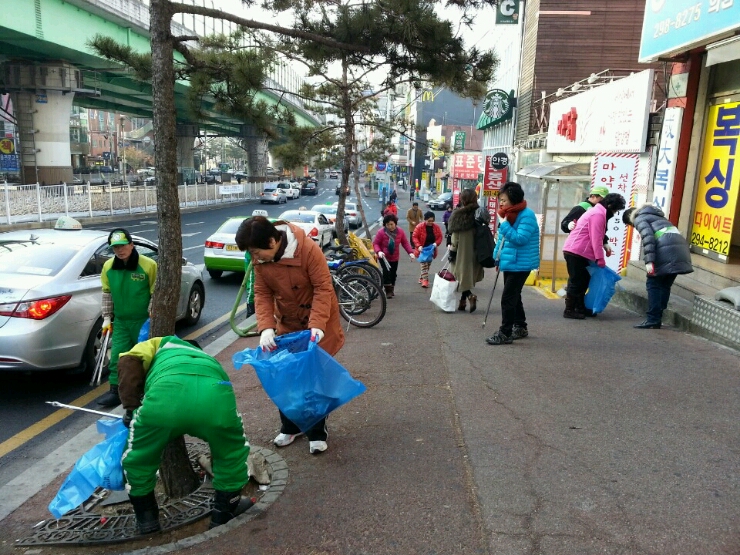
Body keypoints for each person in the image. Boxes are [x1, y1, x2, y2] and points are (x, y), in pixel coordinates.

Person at [118, 336, 252, 534]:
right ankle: (225, 511)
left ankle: (147, 520)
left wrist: (130, 408)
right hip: (215, 396)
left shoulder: (158, 344)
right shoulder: (204, 356)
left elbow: (128, 362)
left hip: (164, 399)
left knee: (139, 458)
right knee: (231, 450)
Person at [235, 216, 345, 454]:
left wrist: (317, 324)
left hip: (318, 323)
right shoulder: (260, 262)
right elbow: (262, 294)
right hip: (288, 323)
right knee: (287, 377)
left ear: (273, 241)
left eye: (256, 252)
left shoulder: (308, 250)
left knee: (313, 380)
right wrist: (265, 327)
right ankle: (290, 427)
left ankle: (316, 432)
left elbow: (323, 288)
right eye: (250, 254)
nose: (254, 258)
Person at [97, 228, 157, 407]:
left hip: (142, 320)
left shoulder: (148, 265)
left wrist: (152, 315)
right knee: (118, 357)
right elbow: (107, 293)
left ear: (131, 245)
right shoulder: (108, 267)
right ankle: (116, 391)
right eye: (115, 247)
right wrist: (107, 318)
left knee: (144, 357)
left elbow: (155, 293)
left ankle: (147, 391)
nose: (119, 250)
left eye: (123, 246)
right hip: (121, 321)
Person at [485, 182, 541, 345]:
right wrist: (497, 258)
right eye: (500, 200)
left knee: (508, 297)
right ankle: (520, 326)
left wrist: (504, 224)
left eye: (504, 200)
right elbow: (502, 240)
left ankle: (505, 332)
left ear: (514, 199)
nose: (500, 203)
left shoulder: (526, 215)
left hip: (521, 262)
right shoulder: (508, 214)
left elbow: (519, 239)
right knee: (514, 296)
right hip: (510, 261)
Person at [622, 205, 693, 329]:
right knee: (665, 285)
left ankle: (653, 319)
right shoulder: (658, 217)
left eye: (631, 225)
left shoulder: (639, 218)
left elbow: (648, 239)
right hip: (680, 252)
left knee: (653, 284)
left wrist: (649, 262)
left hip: (665, 253)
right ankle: (658, 315)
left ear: (630, 218)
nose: (634, 227)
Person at [561, 193, 626, 319]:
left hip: (579, 251)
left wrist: (605, 246)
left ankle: (580, 307)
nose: (614, 213)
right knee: (577, 282)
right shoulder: (598, 214)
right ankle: (569, 310)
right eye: (615, 209)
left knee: (584, 280)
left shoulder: (598, 212)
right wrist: (600, 258)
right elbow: (595, 238)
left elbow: (599, 236)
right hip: (576, 251)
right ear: (610, 205)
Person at [447, 189, 484, 312]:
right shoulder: (479, 212)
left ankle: (469, 296)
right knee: (467, 277)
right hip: (477, 250)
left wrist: (452, 251)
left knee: (459, 276)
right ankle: (462, 303)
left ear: (463, 199)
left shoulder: (459, 214)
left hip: (462, 251)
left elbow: (455, 237)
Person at [373, 214, 415, 298]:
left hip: (395, 256)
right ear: (385, 225)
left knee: (393, 273)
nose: (390, 226)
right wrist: (379, 252)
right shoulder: (381, 232)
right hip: (384, 256)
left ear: (395, 223)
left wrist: (410, 252)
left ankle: (391, 288)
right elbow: (376, 243)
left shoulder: (400, 232)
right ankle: (388, 291)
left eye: (391, 224)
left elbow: (405, 243)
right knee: (386, 273)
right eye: (387, 225)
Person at [412, 211, 444, 288]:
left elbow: (440, 237)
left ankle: (421, 277)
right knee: (424, 264)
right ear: (425, 220)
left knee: (427, 265)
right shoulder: (419, 227)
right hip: (422, 249)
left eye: (432, 221)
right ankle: (425, 280)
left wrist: (436, 243)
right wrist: (418, 246)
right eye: (429, 221)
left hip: (431, 249)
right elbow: (414, 236)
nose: (430, 222)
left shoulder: (436, 227)